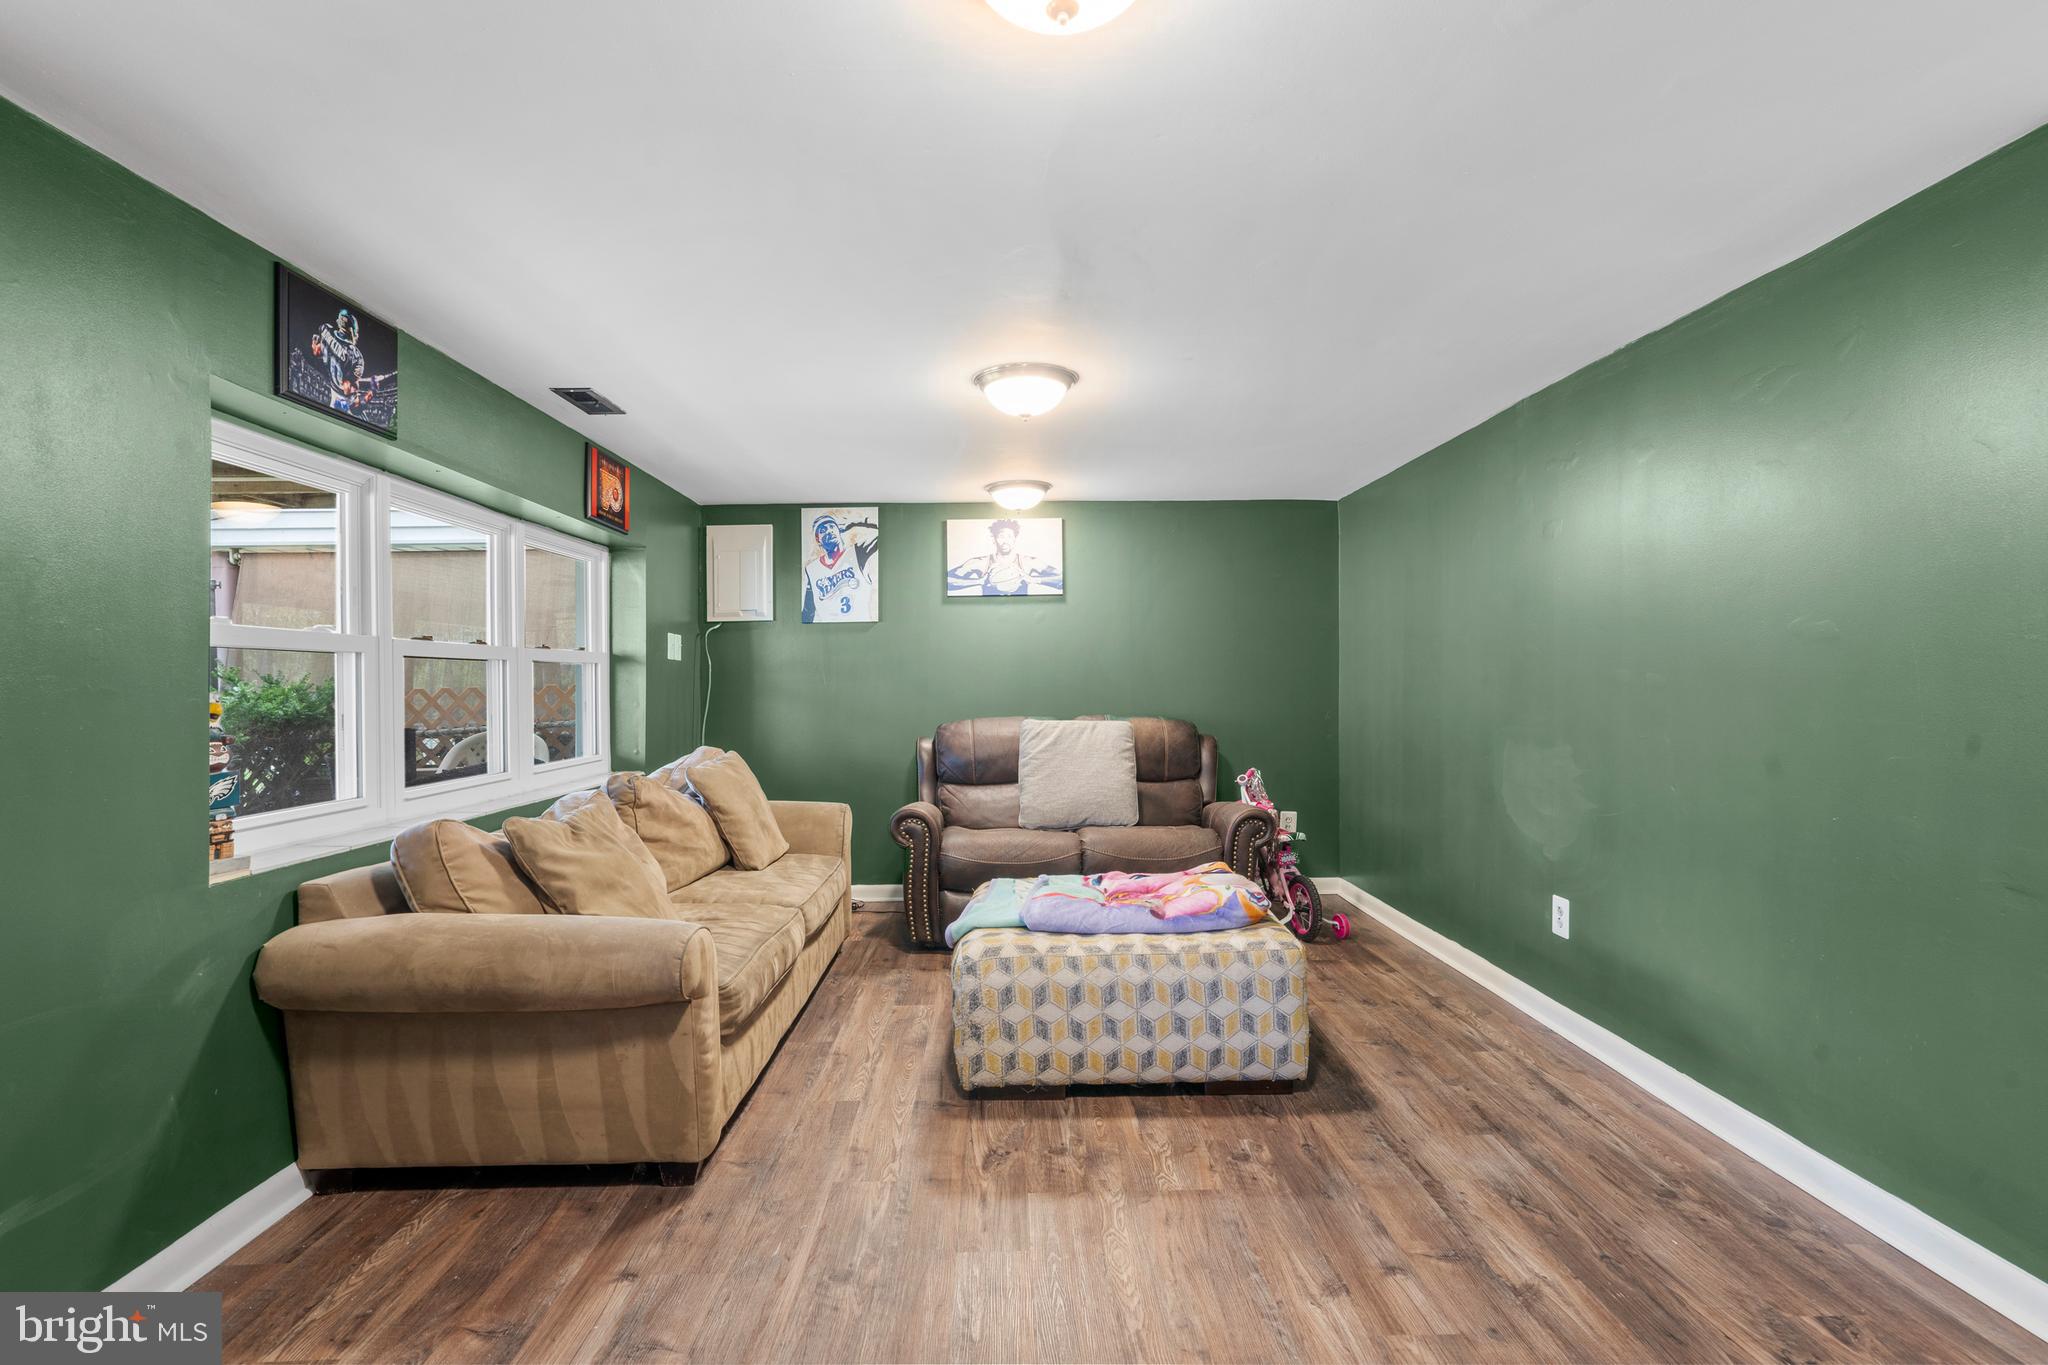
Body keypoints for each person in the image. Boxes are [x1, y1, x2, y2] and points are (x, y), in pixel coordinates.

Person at [947, 518, 1062, 595]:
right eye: (1001, 536)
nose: (1005, 541)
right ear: (994, 539)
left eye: (1009, 536)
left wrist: (1033, 579)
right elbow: (947, 581)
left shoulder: (1028, 562)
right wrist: (980, 581)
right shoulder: (980, 563)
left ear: (1015, 539)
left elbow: (1061, 579)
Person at [801, 511, 879, 621]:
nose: (829, 531)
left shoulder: (858, 551)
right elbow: (808, 612)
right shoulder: (812, 569)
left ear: (839, 530)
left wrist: (854, 522)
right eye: (823, 530)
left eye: (832, 527)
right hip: (827, 632)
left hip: (860, 625)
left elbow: (884, 531)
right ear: (818, 539)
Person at [309, 308, 368, 413]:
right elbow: (347, 387)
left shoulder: (325, 328)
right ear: (352, 330)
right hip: (343, 397)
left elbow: (317, 351)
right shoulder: (356, 355)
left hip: (334, 389)